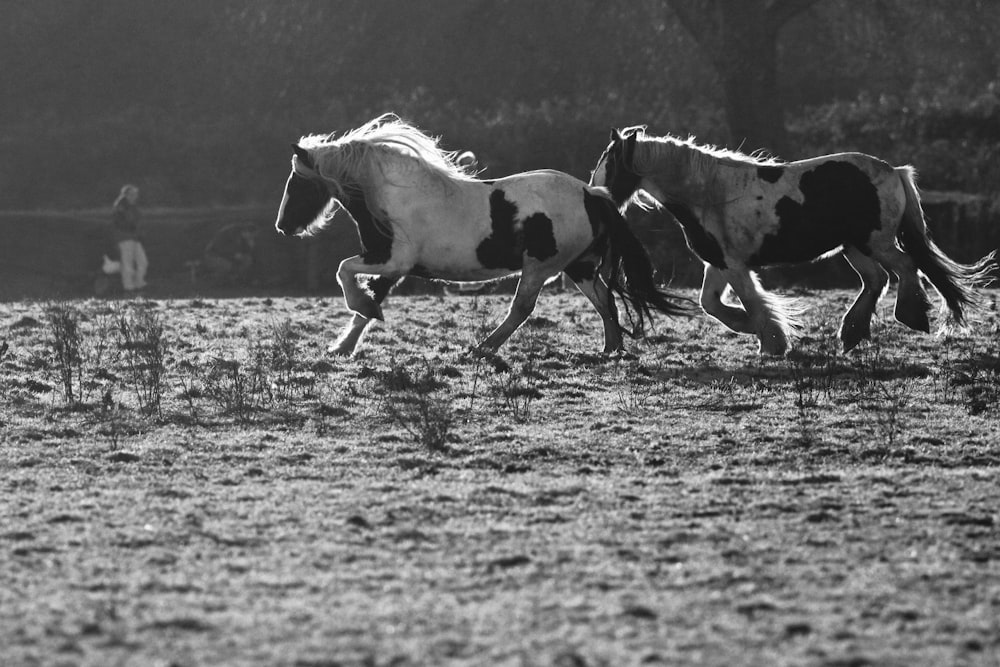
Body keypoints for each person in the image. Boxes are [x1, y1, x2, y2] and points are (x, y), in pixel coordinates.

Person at [111, 184, 148, 292]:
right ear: (126, 195)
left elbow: (137, 221)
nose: (135, 196)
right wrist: (133, 227)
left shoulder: (133, 206)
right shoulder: (121, 207)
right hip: (124, 238)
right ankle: (129, 287)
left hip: (135, 238)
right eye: (132, 194)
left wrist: (139, 231)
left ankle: (139, 283)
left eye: (135, 194)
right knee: (127, 263)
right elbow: (120, 223)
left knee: (143, 262)